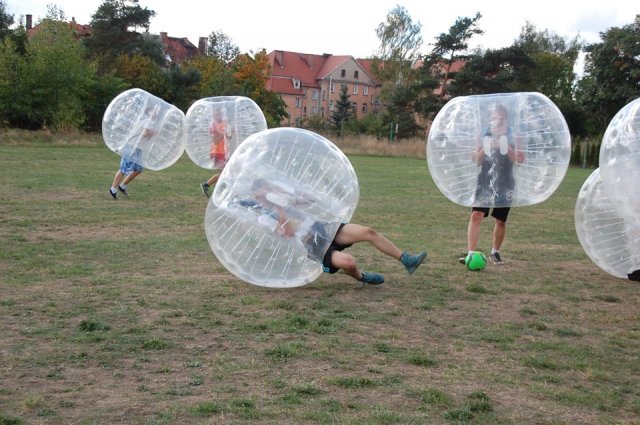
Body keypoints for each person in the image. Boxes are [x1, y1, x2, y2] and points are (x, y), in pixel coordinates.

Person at [240, 179, 427, 285]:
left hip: (323, 228)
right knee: (349, 263)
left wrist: (289, 193)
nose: (264, 198)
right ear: (256, 198)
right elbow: (288, 234)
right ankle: (362, 277)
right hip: (312, 246)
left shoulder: (284, 199)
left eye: (267, 193)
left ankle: (407, 260)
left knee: (368, 232)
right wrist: (278, 207)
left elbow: (313, 199)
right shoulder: (263, 217)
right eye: (260, 197)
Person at [460, 104, 524, 266]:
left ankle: (495, 252)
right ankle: (471, 253)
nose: (498, 121)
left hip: (505, 181)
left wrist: (506, 148)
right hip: (484, 180)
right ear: (491, 118)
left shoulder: (513, 134)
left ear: (506, 118)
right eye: (495, 118)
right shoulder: (483, 133)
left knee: (500, 220)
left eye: (502, 118)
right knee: (476, 215)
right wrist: (485, 149)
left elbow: (520, 160)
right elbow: (475, 160)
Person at [108, 106, 157, 199]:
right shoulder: (148, 121)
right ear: (149, 112)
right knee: (123, 168)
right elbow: (145, 134)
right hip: (132, 146)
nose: (155, 113)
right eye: (153, 111)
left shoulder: (150, 122)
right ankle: (112, 190)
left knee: (139, 168)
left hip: (137, 148)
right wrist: (154, 133)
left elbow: (146, 136)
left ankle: (122, 186)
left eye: (156, 111)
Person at [201, 110, 231, 198]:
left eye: (220, 113)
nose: (219, 115)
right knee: (225, 173)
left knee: (226, 173)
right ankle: (208, 185)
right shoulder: (214, 126)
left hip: (224, 152)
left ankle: (208, 185)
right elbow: (215, 140)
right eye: (216, 114)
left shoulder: (225, 124)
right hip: (217, 152)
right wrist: (223, 133)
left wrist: (229, 129)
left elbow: (229, 137)